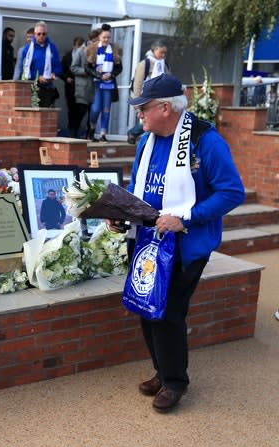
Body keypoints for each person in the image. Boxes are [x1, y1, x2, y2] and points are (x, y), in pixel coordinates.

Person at [108, 74, 245, 413]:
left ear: (165, 108)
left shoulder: (205, 141)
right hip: (147, 240)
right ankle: (162, 369)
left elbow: (232, 192)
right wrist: (120, 214)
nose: (139, 115)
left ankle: (174, 382)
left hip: (186, 245)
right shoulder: (146, 140)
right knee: (146, 308)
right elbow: (139, 189)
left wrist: (185, 218)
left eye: (143, 109)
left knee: (168, 313)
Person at [85, 23, 123, 142]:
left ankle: (102, 134)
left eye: (108, 37)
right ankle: (92, 128)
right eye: (104, 37)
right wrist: (99, 75)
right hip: (96, 83)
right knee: (95, 109)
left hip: (109, 83)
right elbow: (87, 68)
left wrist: (111, 74)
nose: (106, 39)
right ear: (99, 37)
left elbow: (119, 68)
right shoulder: (92, 49)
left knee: (106, 110)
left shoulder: (115, 49)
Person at [127, 40, 170, 144]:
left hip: (159, 98)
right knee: (149, 119)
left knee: (154, 119)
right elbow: (137, 84)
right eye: (161, 52)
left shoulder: (164, 64)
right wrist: (137, 103)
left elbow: (168, 80)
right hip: (145, 98)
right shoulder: (145, 64)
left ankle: (136, 134)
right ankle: (133, 133)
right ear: (154, 50)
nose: (163, 55)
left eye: (165, 53)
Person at [20, 21, 62, 107]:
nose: (41, 36)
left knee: (47, 117)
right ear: (34, 34)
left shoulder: (52, 47)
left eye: (44, 34)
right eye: (39, 34)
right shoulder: (27, 49)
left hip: (48, 88)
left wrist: (53, 74)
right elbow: (24, 70)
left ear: (47, 34)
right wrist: (38, 77)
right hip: (33, 88)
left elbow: (58, 66)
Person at [61, 36, 85, 138]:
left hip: (82, 87)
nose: (80, 48)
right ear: (74, 46)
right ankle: (72, 130)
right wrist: (66, 78)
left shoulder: (84, 56)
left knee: (81, 109)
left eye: (82, 46)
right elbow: (60, 71)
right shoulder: (67, 56)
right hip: (71, 87)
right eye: (78, 46)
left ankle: (76, 128)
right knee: (72, 109)